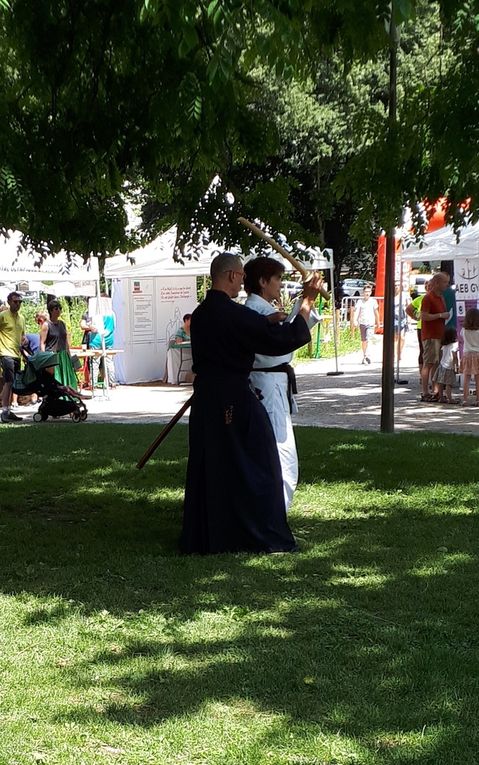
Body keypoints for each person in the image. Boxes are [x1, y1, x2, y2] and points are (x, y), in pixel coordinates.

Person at [180, 252, 322, 555]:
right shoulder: (233, 314)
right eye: (240, 275)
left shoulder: (202, 313)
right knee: (262, 462)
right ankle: (258, 533)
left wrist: (267, 320)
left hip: (207, 400)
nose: (243, 280)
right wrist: (307, 299)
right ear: (231, 275)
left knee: (213, 465)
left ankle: (211, 536)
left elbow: (238, 333)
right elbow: (282, 340)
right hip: (233, 399)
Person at [244, 257, 318, 511]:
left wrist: (308, 299)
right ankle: (275, 513)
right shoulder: (256, 310)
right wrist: (306, 299)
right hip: (267, 385)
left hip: (271, 382)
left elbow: (291, 330)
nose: (280, 284)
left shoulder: (261, 309)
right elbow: (287, 339)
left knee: (277, 450)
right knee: (280, 453)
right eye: (277, 279)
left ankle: (274, 511)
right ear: (263, 281)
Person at [420, 272, 450, 402]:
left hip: (439, 334)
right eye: (444, 282)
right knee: (429, 363)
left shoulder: (441, 297)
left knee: (437, 363)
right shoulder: (428, 298)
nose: (446, 285)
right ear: (437, 283)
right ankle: (425, 391)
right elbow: (423, 316)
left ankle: (436, 391)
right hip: (430, 335)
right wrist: (440, 315)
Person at [39, 300, 78, 389]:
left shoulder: (62, 324)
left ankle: (68, 396)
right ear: (51, 310)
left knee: (66, 377)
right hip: (52, 355)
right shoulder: (46, 325)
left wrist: (69, 355)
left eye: (60, 308)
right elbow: (42, 342)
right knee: (55, 379)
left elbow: (65, 342)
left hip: (63, 355)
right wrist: (44, 358)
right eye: (56, 308)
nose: (59, 311)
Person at [0, 291, 25, 422]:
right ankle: (4, 411)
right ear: (9, 302)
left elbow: (22, 336)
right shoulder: (3, 316)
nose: (18, 304)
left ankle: (8, 410)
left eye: (20, 302)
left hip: (16, 355)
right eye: (15, 302)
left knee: (13, 383)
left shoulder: (21, 318)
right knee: (8, 382)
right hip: (5, 353)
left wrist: (24, 341)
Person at [406, 281, 430, 375]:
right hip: (422, 327)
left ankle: (430, 374)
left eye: (430, 286)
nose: (429, 288)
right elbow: (408, 309)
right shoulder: (421, 298)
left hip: (433, 327)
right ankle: (421, 374)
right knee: (423, 350)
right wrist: (415, 316)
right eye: (427, 286)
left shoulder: (438, 298)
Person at [89, 303, 117, 388]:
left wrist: (90, 326)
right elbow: (114, 326)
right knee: (109, 362)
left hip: (97, 340)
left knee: (95, 362)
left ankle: (93, 384)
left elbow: (94, 328)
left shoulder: (97, 312)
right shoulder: (112, 313)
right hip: (109, 340)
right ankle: (112, 382)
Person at [352, 285, 379, 364]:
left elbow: (376, 312)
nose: (367, 293)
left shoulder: (373, 301)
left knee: (368, 339)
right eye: (365, 292)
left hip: (370, 323)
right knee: (364, 341)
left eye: (368, 292)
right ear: (363, 292)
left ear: (370, 292)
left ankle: (368, 355)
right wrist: (355, 320)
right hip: (362, 323)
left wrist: (378, 322)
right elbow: (356, 312)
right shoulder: (360, 302)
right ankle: (364, 355)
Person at [433, 327, 459, 404]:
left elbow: (441, 355)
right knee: (449, 384)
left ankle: (441, 397)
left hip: (442, 365)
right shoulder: (454, 345)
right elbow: (454, 357)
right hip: (449, 367)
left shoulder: (444, 345)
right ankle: (449, 398)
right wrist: (456, 366)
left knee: (440, 383)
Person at [165, 314, 193, 384]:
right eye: (191, 320)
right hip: (183, 351)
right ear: (186, 320)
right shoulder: (181, 331)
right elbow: (178, 341)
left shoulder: (193, 329)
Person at [460, 307, 479, 407]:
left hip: (467, 354)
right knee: (478, 378)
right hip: (478, 354)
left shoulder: (464, 330)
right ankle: (478, 399)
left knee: (466, 378)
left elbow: (461, 336)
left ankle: (465, 399)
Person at [393, 281, 409, 364]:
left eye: (398, 285)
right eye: (395, 285)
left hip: (402, 319)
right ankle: (395, 354)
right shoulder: (391, 296)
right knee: (395, 337)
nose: (396, 287)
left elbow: (408, 307)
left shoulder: (404, 296)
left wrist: (409, 319)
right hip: (393, 318)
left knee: (402, 337)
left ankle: (399, 352)